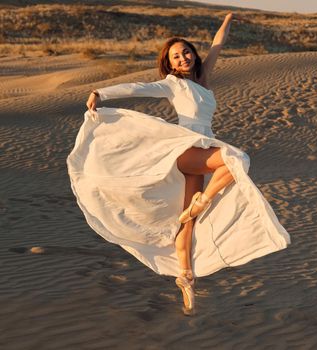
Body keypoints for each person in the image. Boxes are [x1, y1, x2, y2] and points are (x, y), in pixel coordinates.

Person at [69, 13, 290, 315]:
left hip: (201, 151)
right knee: (236, 158)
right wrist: (100, 93)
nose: (183, 57)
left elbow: (217, 45)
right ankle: (200, 203)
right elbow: (137, 88)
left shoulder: (203, 79)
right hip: (186, 147)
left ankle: (185, 278)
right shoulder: (173, 84)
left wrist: (228, 18)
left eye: (186, 52)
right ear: (170, 64)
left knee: (186, 226)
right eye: (176, 56)